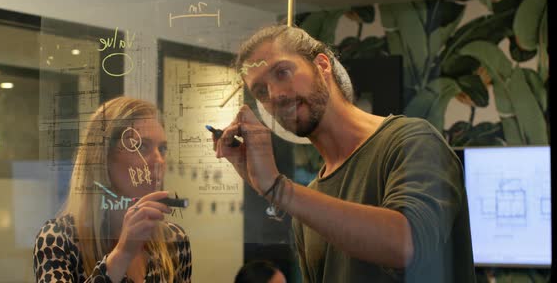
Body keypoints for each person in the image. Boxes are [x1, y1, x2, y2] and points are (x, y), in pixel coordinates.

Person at [214, 25, 475, 282]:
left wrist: (276, 187)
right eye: (261, 91)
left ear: (323, 65)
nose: (276, 95)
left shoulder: (412, 142)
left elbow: (405, 245)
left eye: (283, 72)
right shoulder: (309, 201)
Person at [33, 96, 192, 282]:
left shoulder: (174, 240)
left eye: (162, 149)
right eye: (140, 146)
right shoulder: (59, 238)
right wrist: (122, 254)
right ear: (103, 158)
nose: (159, 160)